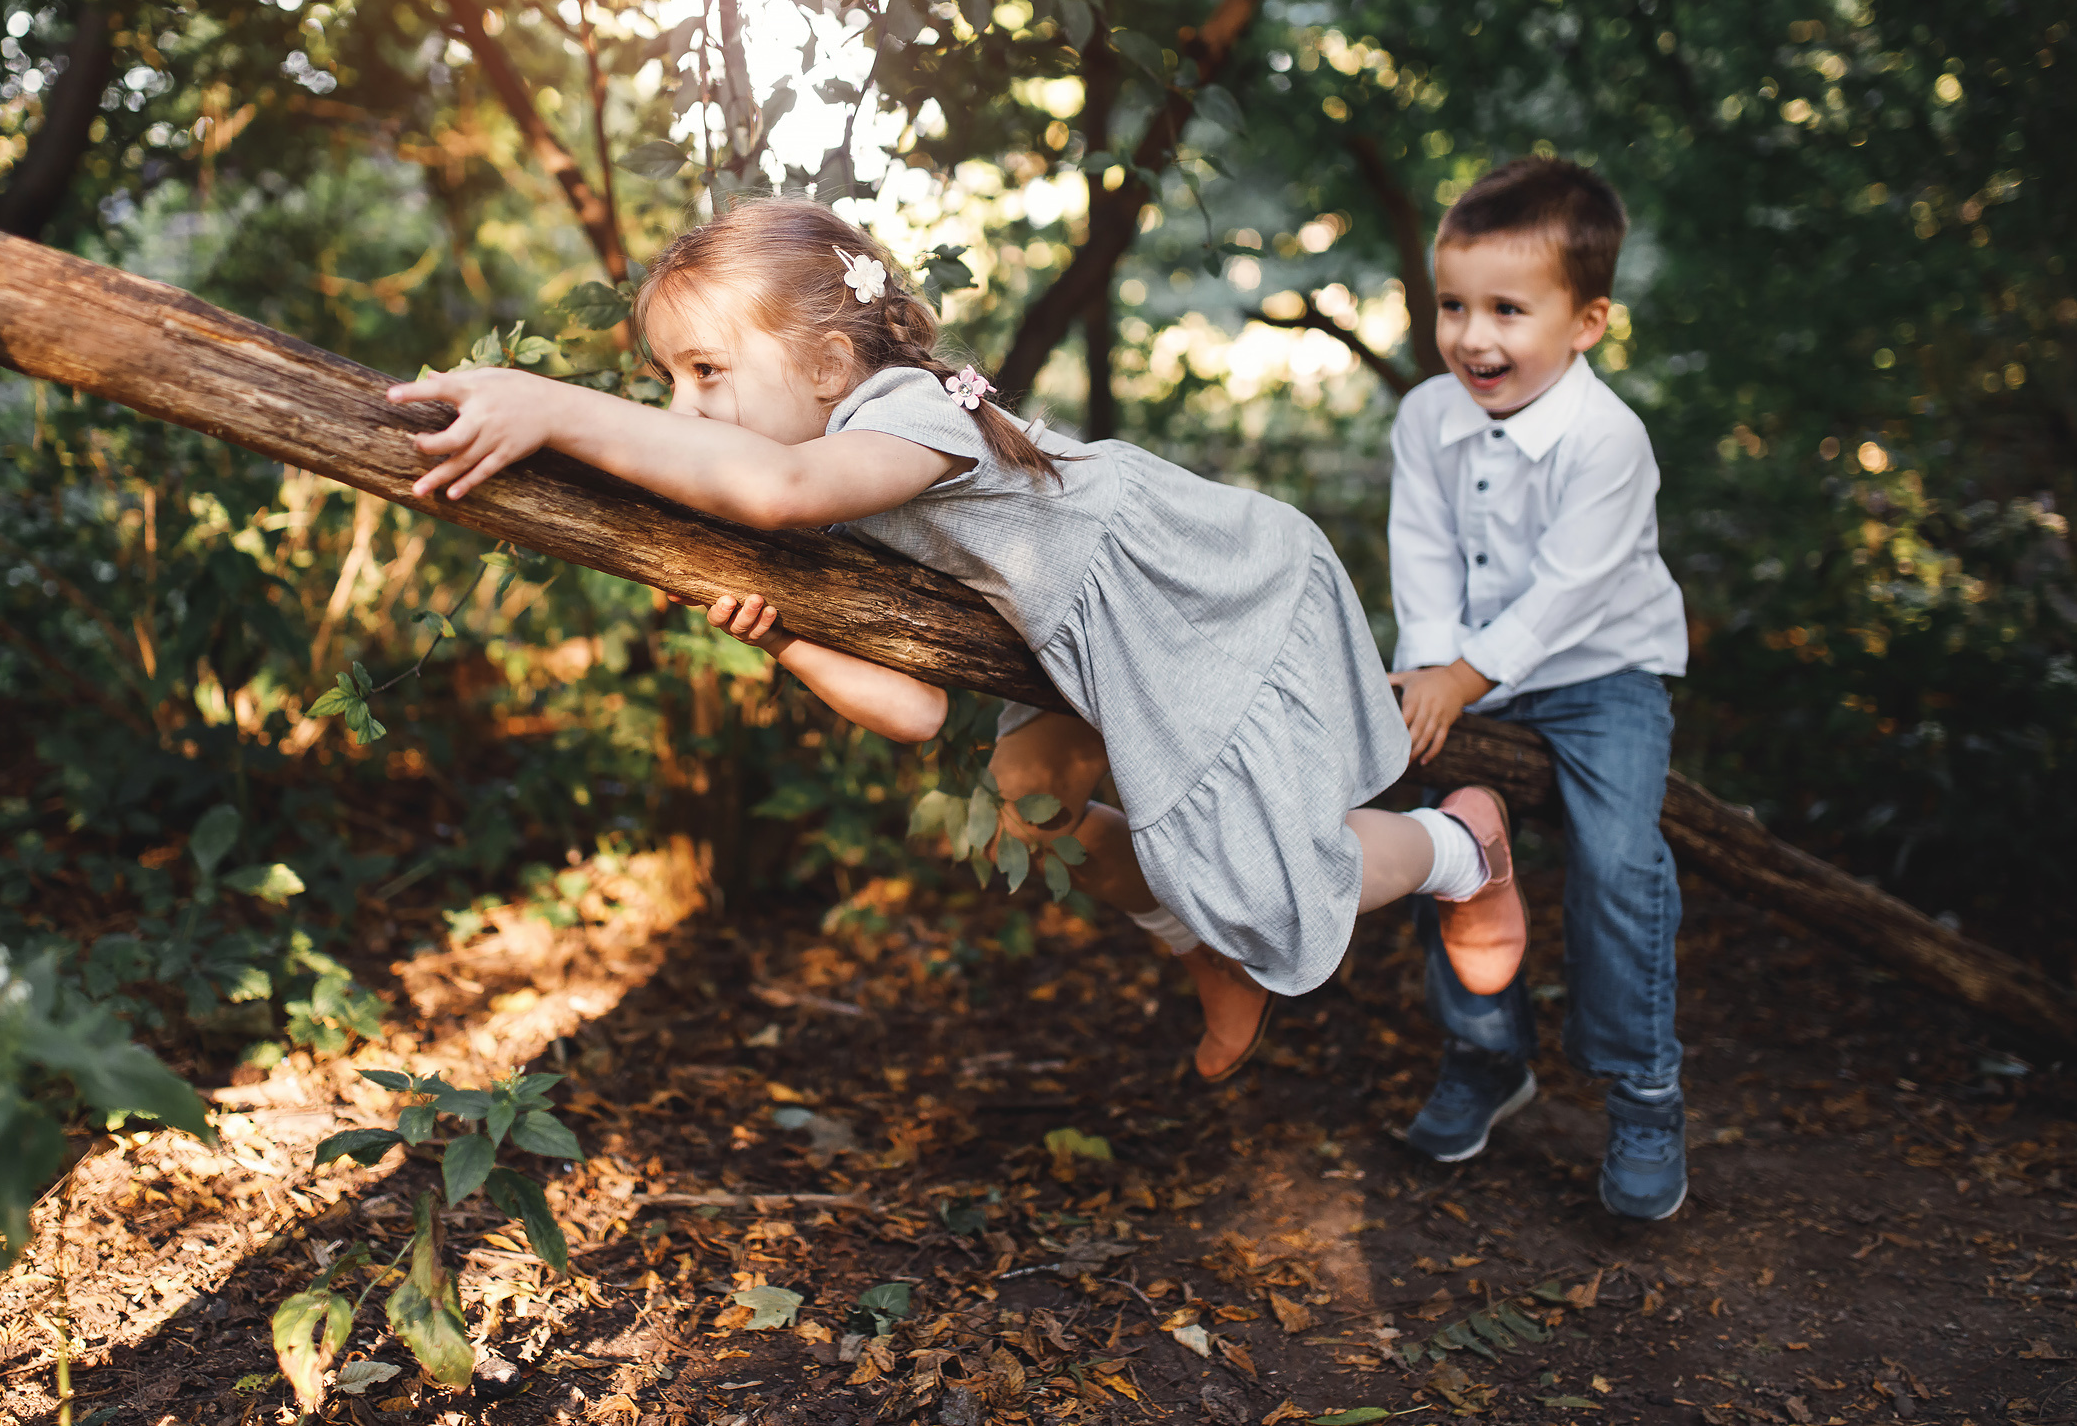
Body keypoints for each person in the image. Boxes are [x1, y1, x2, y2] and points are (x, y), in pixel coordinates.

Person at [389, 198, 1526, 1079]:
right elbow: (917, 711)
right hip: (1069, 631)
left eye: (705, 374)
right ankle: (1206, 952)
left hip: (1193, 587)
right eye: (665, 383)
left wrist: (555, 404)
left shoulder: (901, 419)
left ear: (831, 366)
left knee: (1266, 885)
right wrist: (790, 643)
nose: (682, 411)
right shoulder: (838, 481)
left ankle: (1458, 851)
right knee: (1022, 825)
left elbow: (772, 483)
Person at [1384, 156, 1691, 1220]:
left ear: (1587, 320)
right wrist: (1432, 670)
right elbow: (1419, 547)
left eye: (1508, 310)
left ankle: (1642, 1086)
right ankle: (1483, 1052)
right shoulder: (1427, 416)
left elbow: (1571, 592)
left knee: (1618, 863)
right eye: (1454, 305)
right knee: (1451, 845)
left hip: (1601, 673)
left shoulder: (1608, 441)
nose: (1474, 336)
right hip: (1469, 675)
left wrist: (1460, 675)